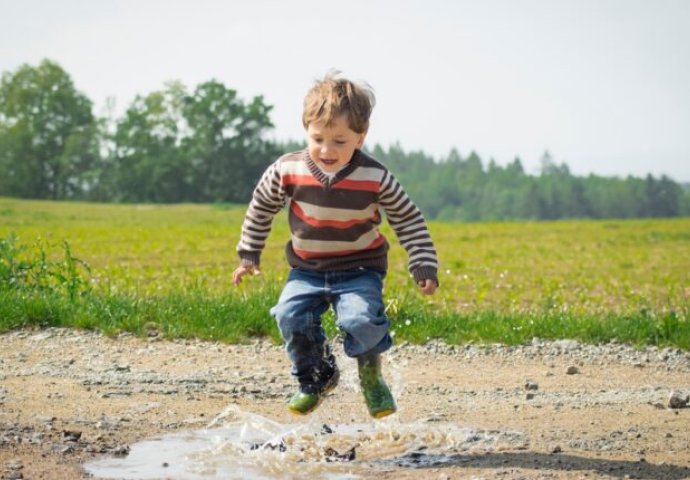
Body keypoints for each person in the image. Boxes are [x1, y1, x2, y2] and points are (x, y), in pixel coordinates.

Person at [233, 71, 438, 418]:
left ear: (361, 137)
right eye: (318, 139)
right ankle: (317, 377)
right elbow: (261, 206)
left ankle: (371, 375)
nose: (327, 150)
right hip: (306, 269)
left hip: (360, 270)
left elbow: (408, 219)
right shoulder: (287, 169)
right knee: (289, 315)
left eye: (340, 141)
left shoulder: (376, 177)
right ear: (306, 129)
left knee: (360, 321)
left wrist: (422, 264)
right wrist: (249, 253)